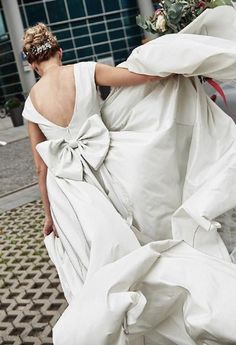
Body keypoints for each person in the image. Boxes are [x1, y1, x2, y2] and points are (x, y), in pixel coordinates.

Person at [22, 6, 236, 345]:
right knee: (136, 237)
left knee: (98, 260)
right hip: (109, 166)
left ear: (32, 64)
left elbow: (40, 166)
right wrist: (173, 71)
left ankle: (115, 321)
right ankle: (156, 301)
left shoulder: (30, 104)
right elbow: (142, 78)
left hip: (69, 192)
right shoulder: (84, 70)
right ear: (58, 50)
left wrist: (49, 215)